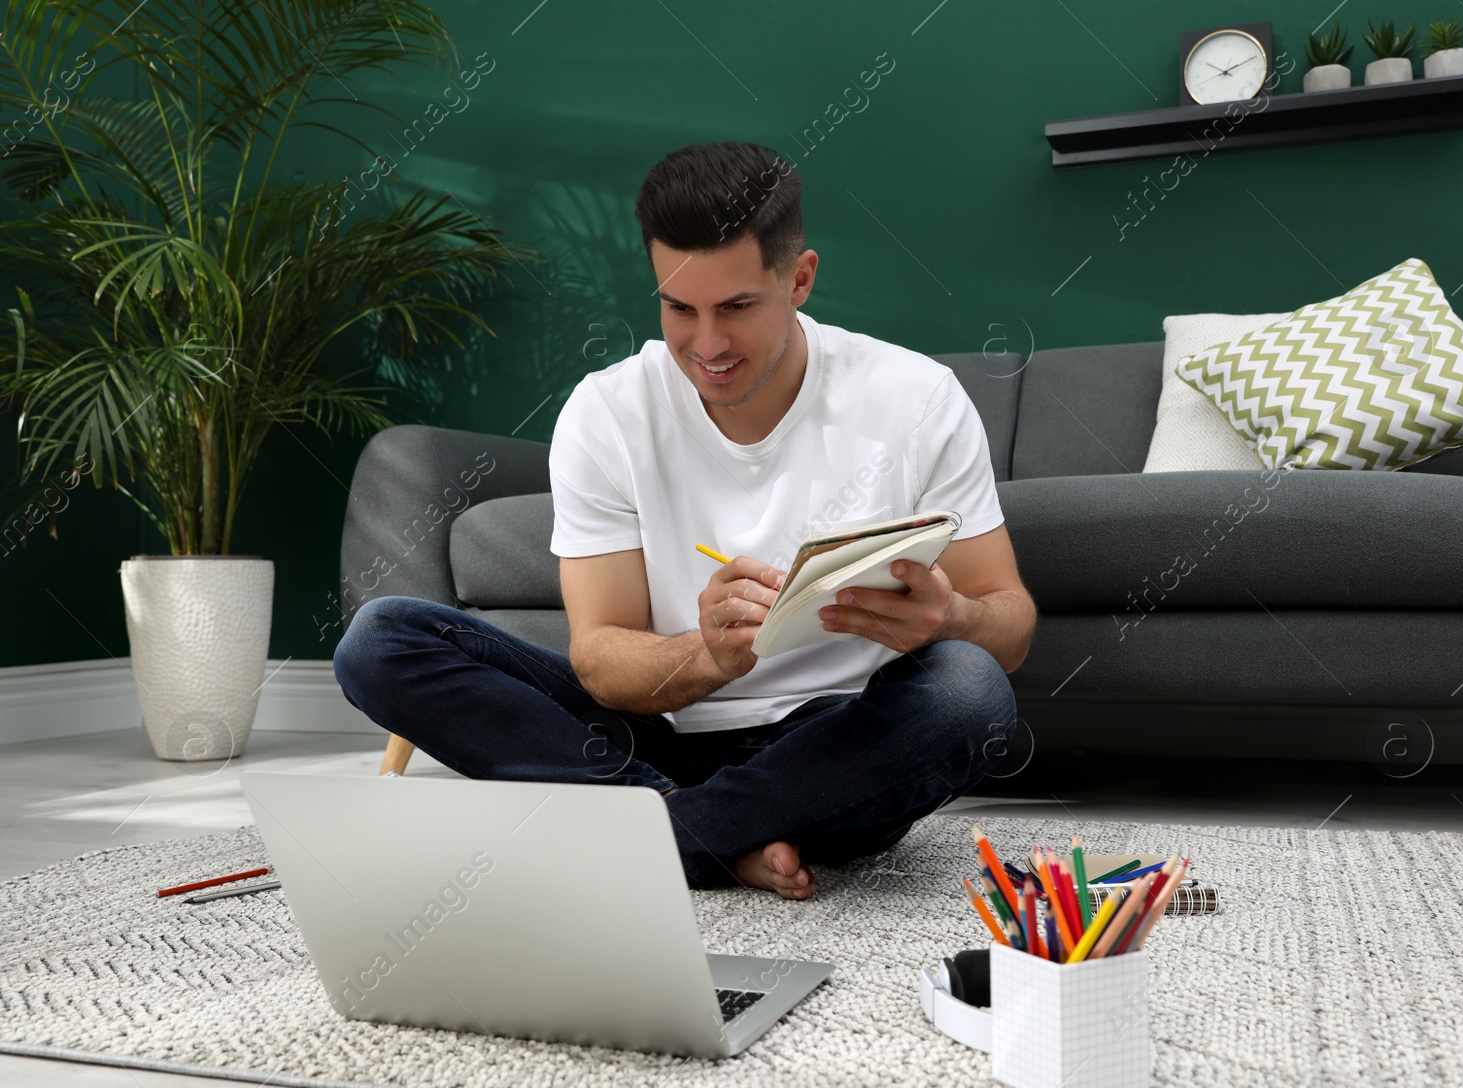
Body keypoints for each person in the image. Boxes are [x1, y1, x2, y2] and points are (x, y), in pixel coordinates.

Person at [334, 141, 1036, 899]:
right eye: (679, 308)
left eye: (736, 308)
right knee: (381, 641)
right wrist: (706, 657)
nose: (707, 346)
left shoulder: (916, 399)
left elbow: (1011, 625)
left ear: (799, 279)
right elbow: (600, 659)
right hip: (657, 740)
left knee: (971, 689)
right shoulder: (608, 412)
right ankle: (714, 836)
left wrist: (950, 616)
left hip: (838, 750)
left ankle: (664, 835)